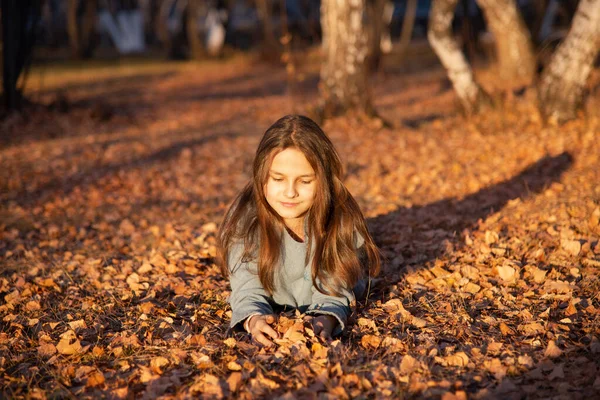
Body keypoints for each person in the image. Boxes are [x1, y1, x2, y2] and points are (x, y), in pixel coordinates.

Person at [218, 115, 380, 347]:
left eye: (304, 181)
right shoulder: (246, 220)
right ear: (261, 176)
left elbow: (335, 288)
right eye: (278, 179)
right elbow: (246, 285)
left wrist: (327, 318)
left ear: (323, 181)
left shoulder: (340, 219)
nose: (290, 192)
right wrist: (253, 318)